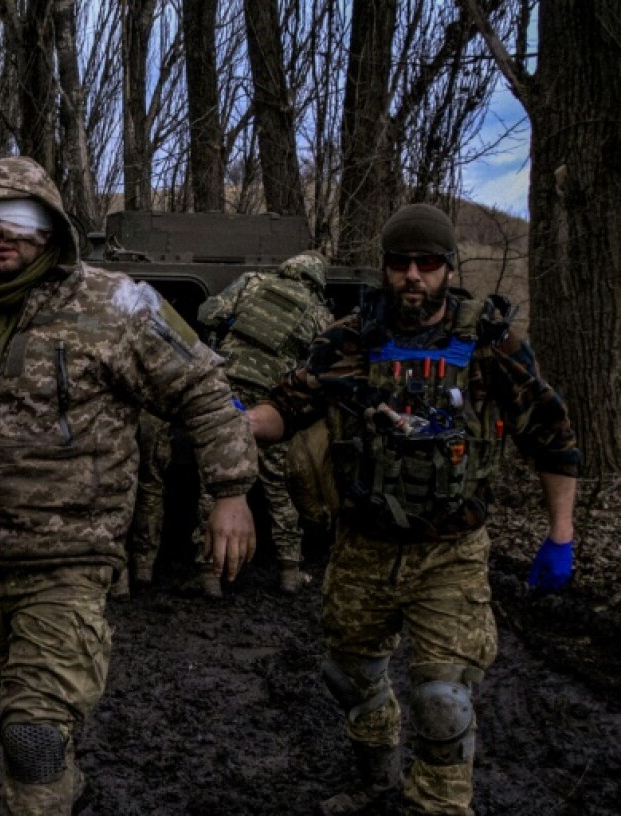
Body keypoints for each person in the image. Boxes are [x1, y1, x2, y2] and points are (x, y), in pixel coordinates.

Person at [0, 155, 258, 814]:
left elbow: (203, 386)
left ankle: (47, 770)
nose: (2, 231)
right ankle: (55, 762)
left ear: (52, 228)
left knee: (31, 737)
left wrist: (231, 491)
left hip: (70, 553)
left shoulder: (116, 304)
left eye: (21, 218)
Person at [247, 203, 579, 816]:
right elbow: (283, 410)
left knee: (443, 697)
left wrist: (560, 537)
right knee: (349, 675)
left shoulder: (489, 344)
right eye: (401, 263)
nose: (413, 276)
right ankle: (376, 777)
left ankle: (437, 804)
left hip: (449, 553)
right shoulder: (349, 341)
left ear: (449, 268)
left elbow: (553, 439)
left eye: (428, 263)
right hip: (363, 546)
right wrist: (234, 421)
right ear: (385, 268)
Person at [194, 251, 333, 595]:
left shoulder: (253, 282)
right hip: (275, 402)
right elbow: (319, 363)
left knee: (217, 481)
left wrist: (232, 326)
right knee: (279, 487)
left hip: (229, 392)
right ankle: (289, 569)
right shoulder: (319, 312)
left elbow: (207, 314)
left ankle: (210, 573)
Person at [109, 411, 172, 600]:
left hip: (118, 416)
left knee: (114, 488)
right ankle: (144, 564)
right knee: (151, 486)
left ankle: (118, 576)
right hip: (155, 418)